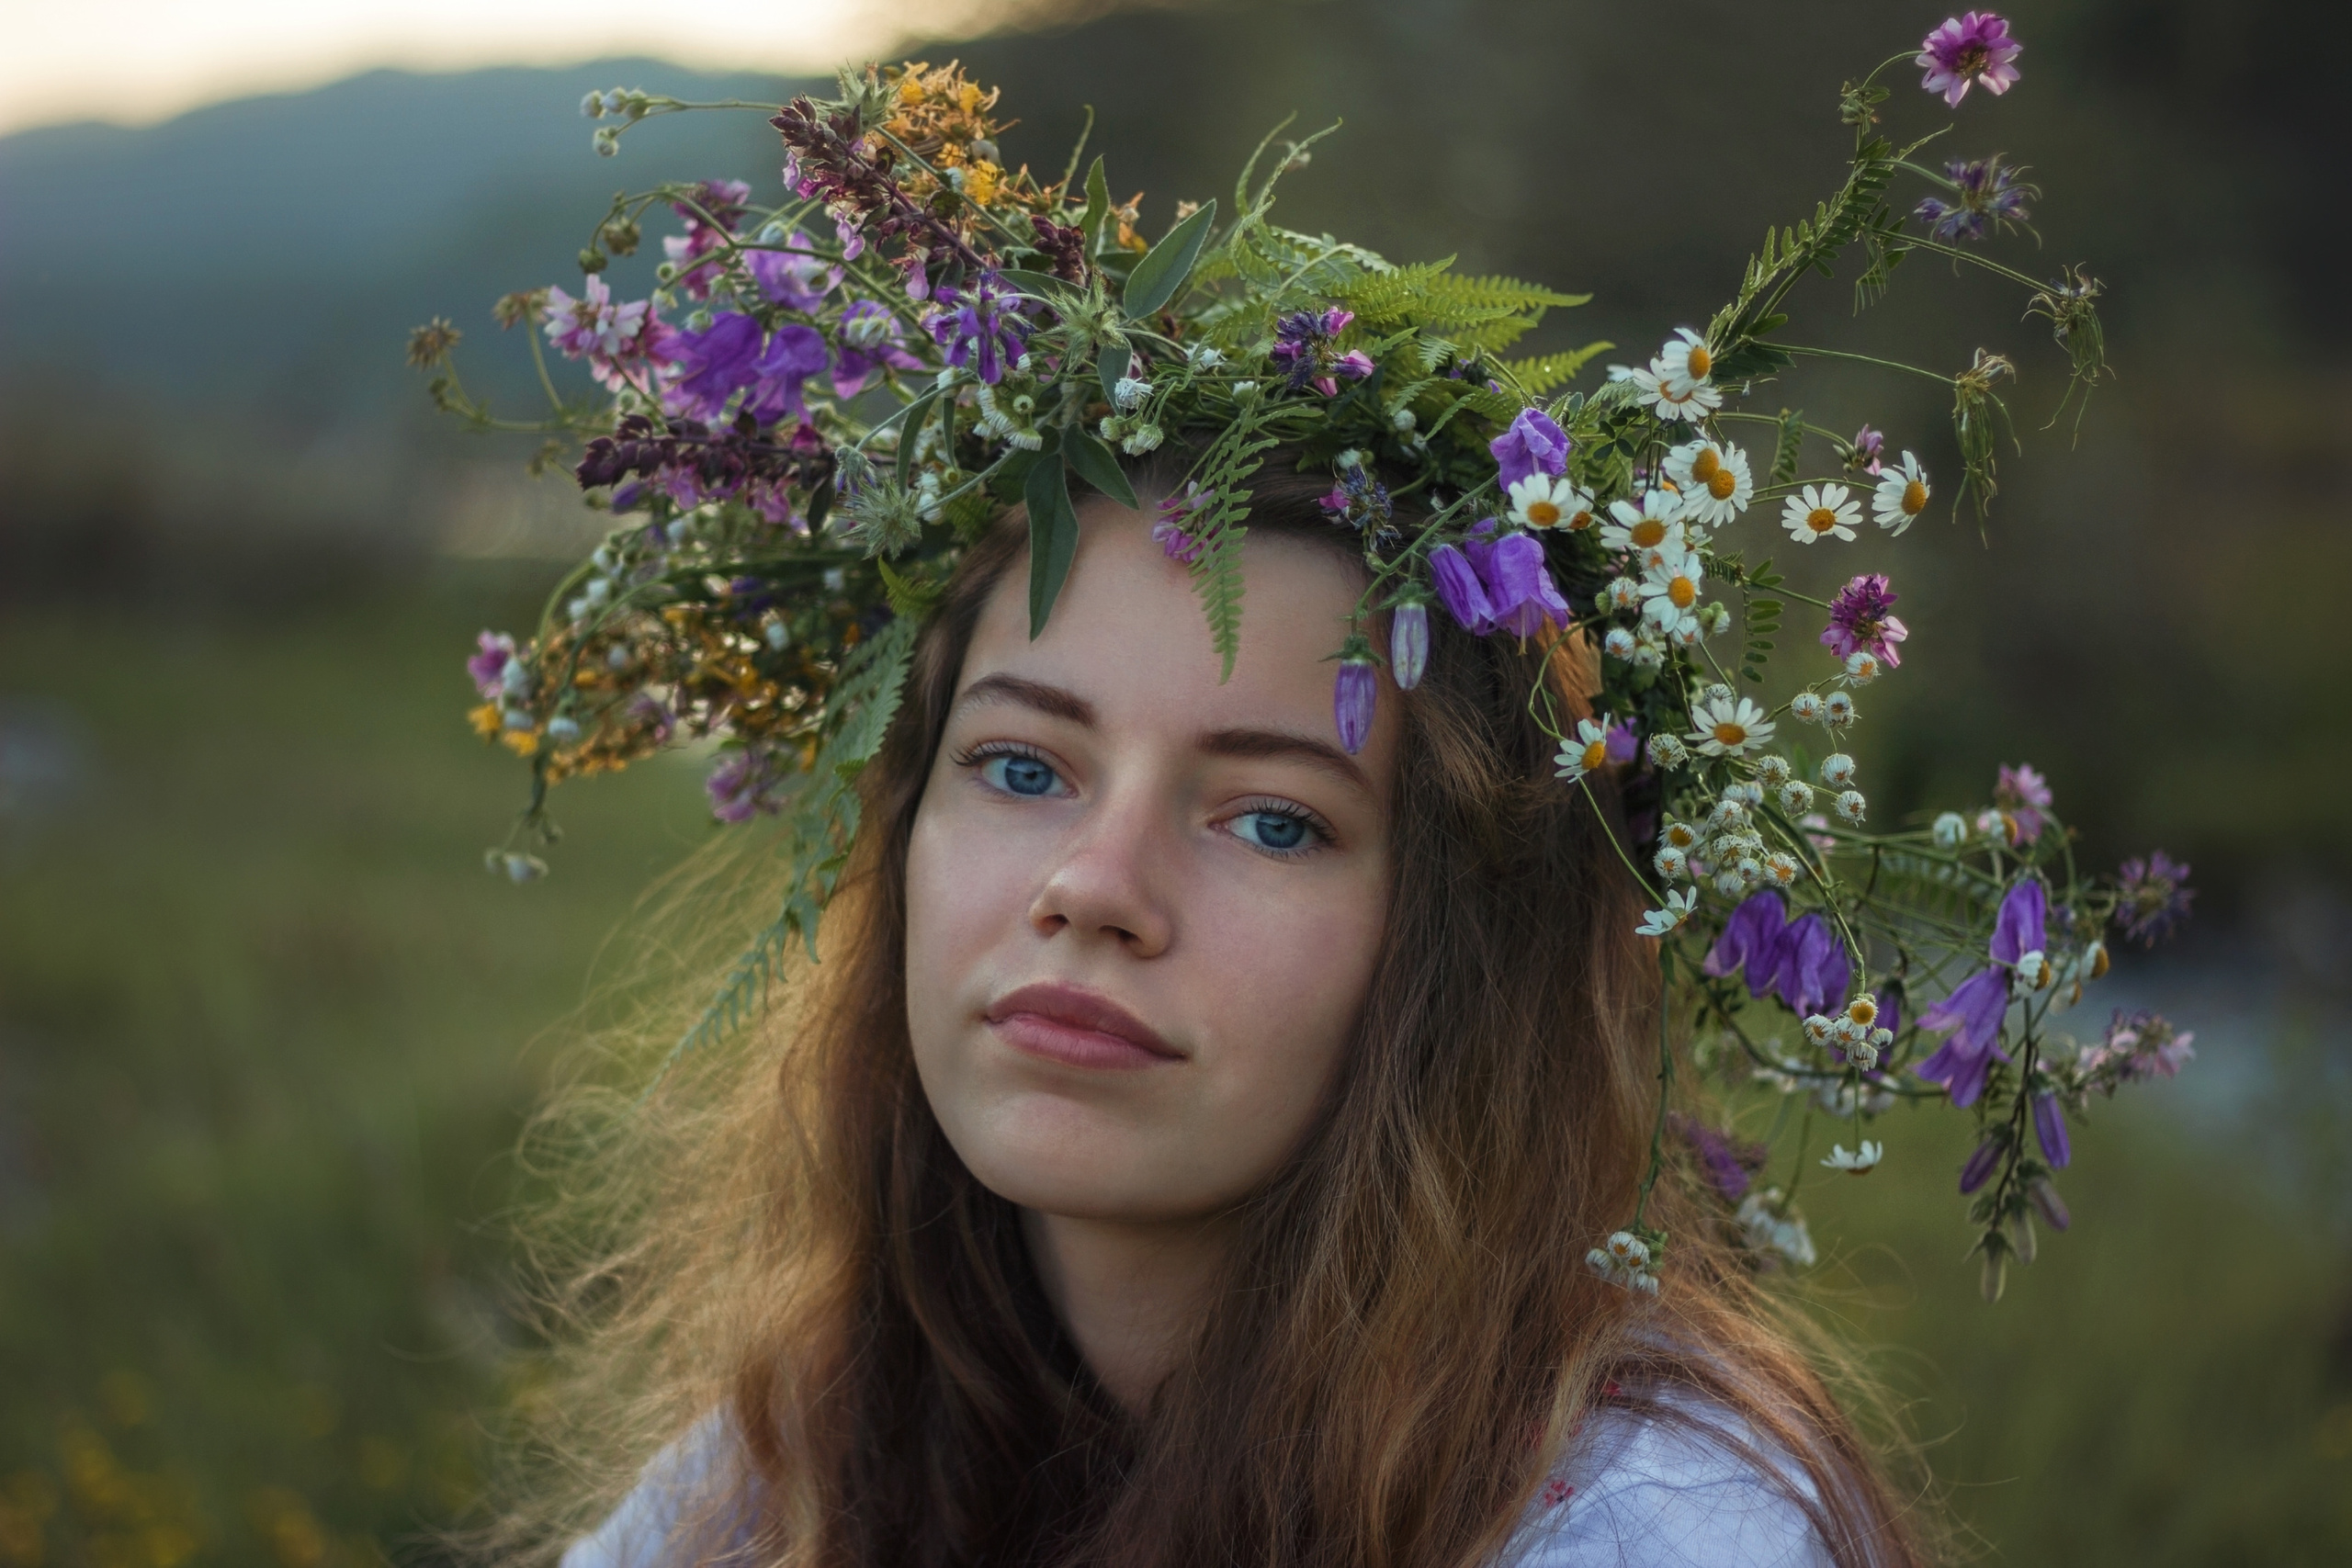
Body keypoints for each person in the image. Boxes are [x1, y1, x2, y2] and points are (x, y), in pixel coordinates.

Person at [510, 456, 1925, 1568]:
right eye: (1018, 767)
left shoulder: (1651, 1528)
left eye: (1272, 821)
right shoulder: (808, 1443)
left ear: (1462, 950)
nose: (1094, 886)